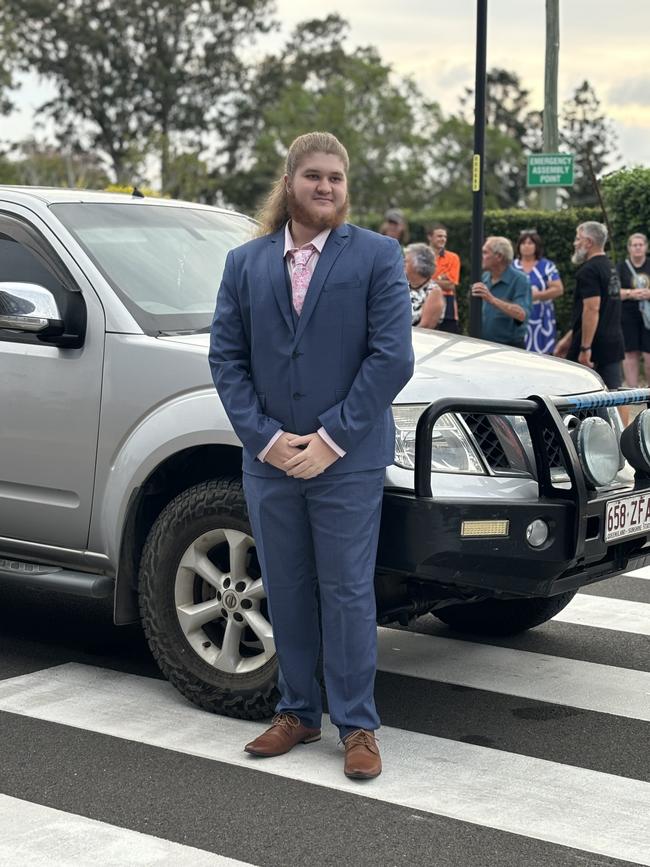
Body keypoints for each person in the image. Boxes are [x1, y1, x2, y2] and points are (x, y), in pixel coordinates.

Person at [209, 131, 414, 781]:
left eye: (336, 178)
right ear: (290, 181)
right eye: (314, 176)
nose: (326, 187)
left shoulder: (378, 256)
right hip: (270, 458)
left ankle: (358, 723)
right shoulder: (246, 264)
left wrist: (330, 438)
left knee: (349, 590)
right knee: (288, 586)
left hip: (346, 459)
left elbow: (393, 358)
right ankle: (297, 710)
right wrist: (266, 438)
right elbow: (227, 359)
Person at [554, 221, 624, 390]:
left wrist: (585, 348)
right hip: (613, 341)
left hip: (594, 346)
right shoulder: (610, 267)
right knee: (616, 392)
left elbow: (592, 309)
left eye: (578, 239)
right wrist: (568, 339)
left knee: (576, 393)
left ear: (588, 242)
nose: (575, 243)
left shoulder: (589, 271)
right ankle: (622, 419)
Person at [471, 236, 532, 347]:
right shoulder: (485, 277)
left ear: (498, 256)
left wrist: (492, 299)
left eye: (485, 253)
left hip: (508, 348)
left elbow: (521, 314)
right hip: (482, 344)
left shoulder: (520, 280)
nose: (481, 257)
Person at [513, 230, 564, 354]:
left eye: (530, 243)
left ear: (537, 246)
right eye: (523, 243)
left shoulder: (547, 266)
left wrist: (538, 295)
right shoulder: (511, 266)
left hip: (541, 319)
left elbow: (558, 289)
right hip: (516, 317)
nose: (526, 246)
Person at [617, 233, 650, 387]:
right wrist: (631, 293)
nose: (637, 247)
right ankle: (632, 393)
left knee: (649, 355)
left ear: (646, 247)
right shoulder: (621, 267)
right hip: (628, 316)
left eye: (640, 244)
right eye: (634, 245)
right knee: (630, 354)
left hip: (648, 317)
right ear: (629, 248)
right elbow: (613, 292)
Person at [427, 222, 461, 333]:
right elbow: (415, 281)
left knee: (447, 337)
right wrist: (441, 279)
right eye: (439, 236)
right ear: (429, 237)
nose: (443, 239)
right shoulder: (422, 256)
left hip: (447, 303)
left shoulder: (453, 258)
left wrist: (428, 280)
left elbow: (450, 286)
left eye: (445, 236)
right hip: (424, 299)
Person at [404, 242, 444, 328]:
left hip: (418, 340)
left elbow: (426, 326)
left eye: (406, 261)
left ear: (418, 265)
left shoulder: (433, 291)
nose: (402, 264)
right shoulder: (403, 286)